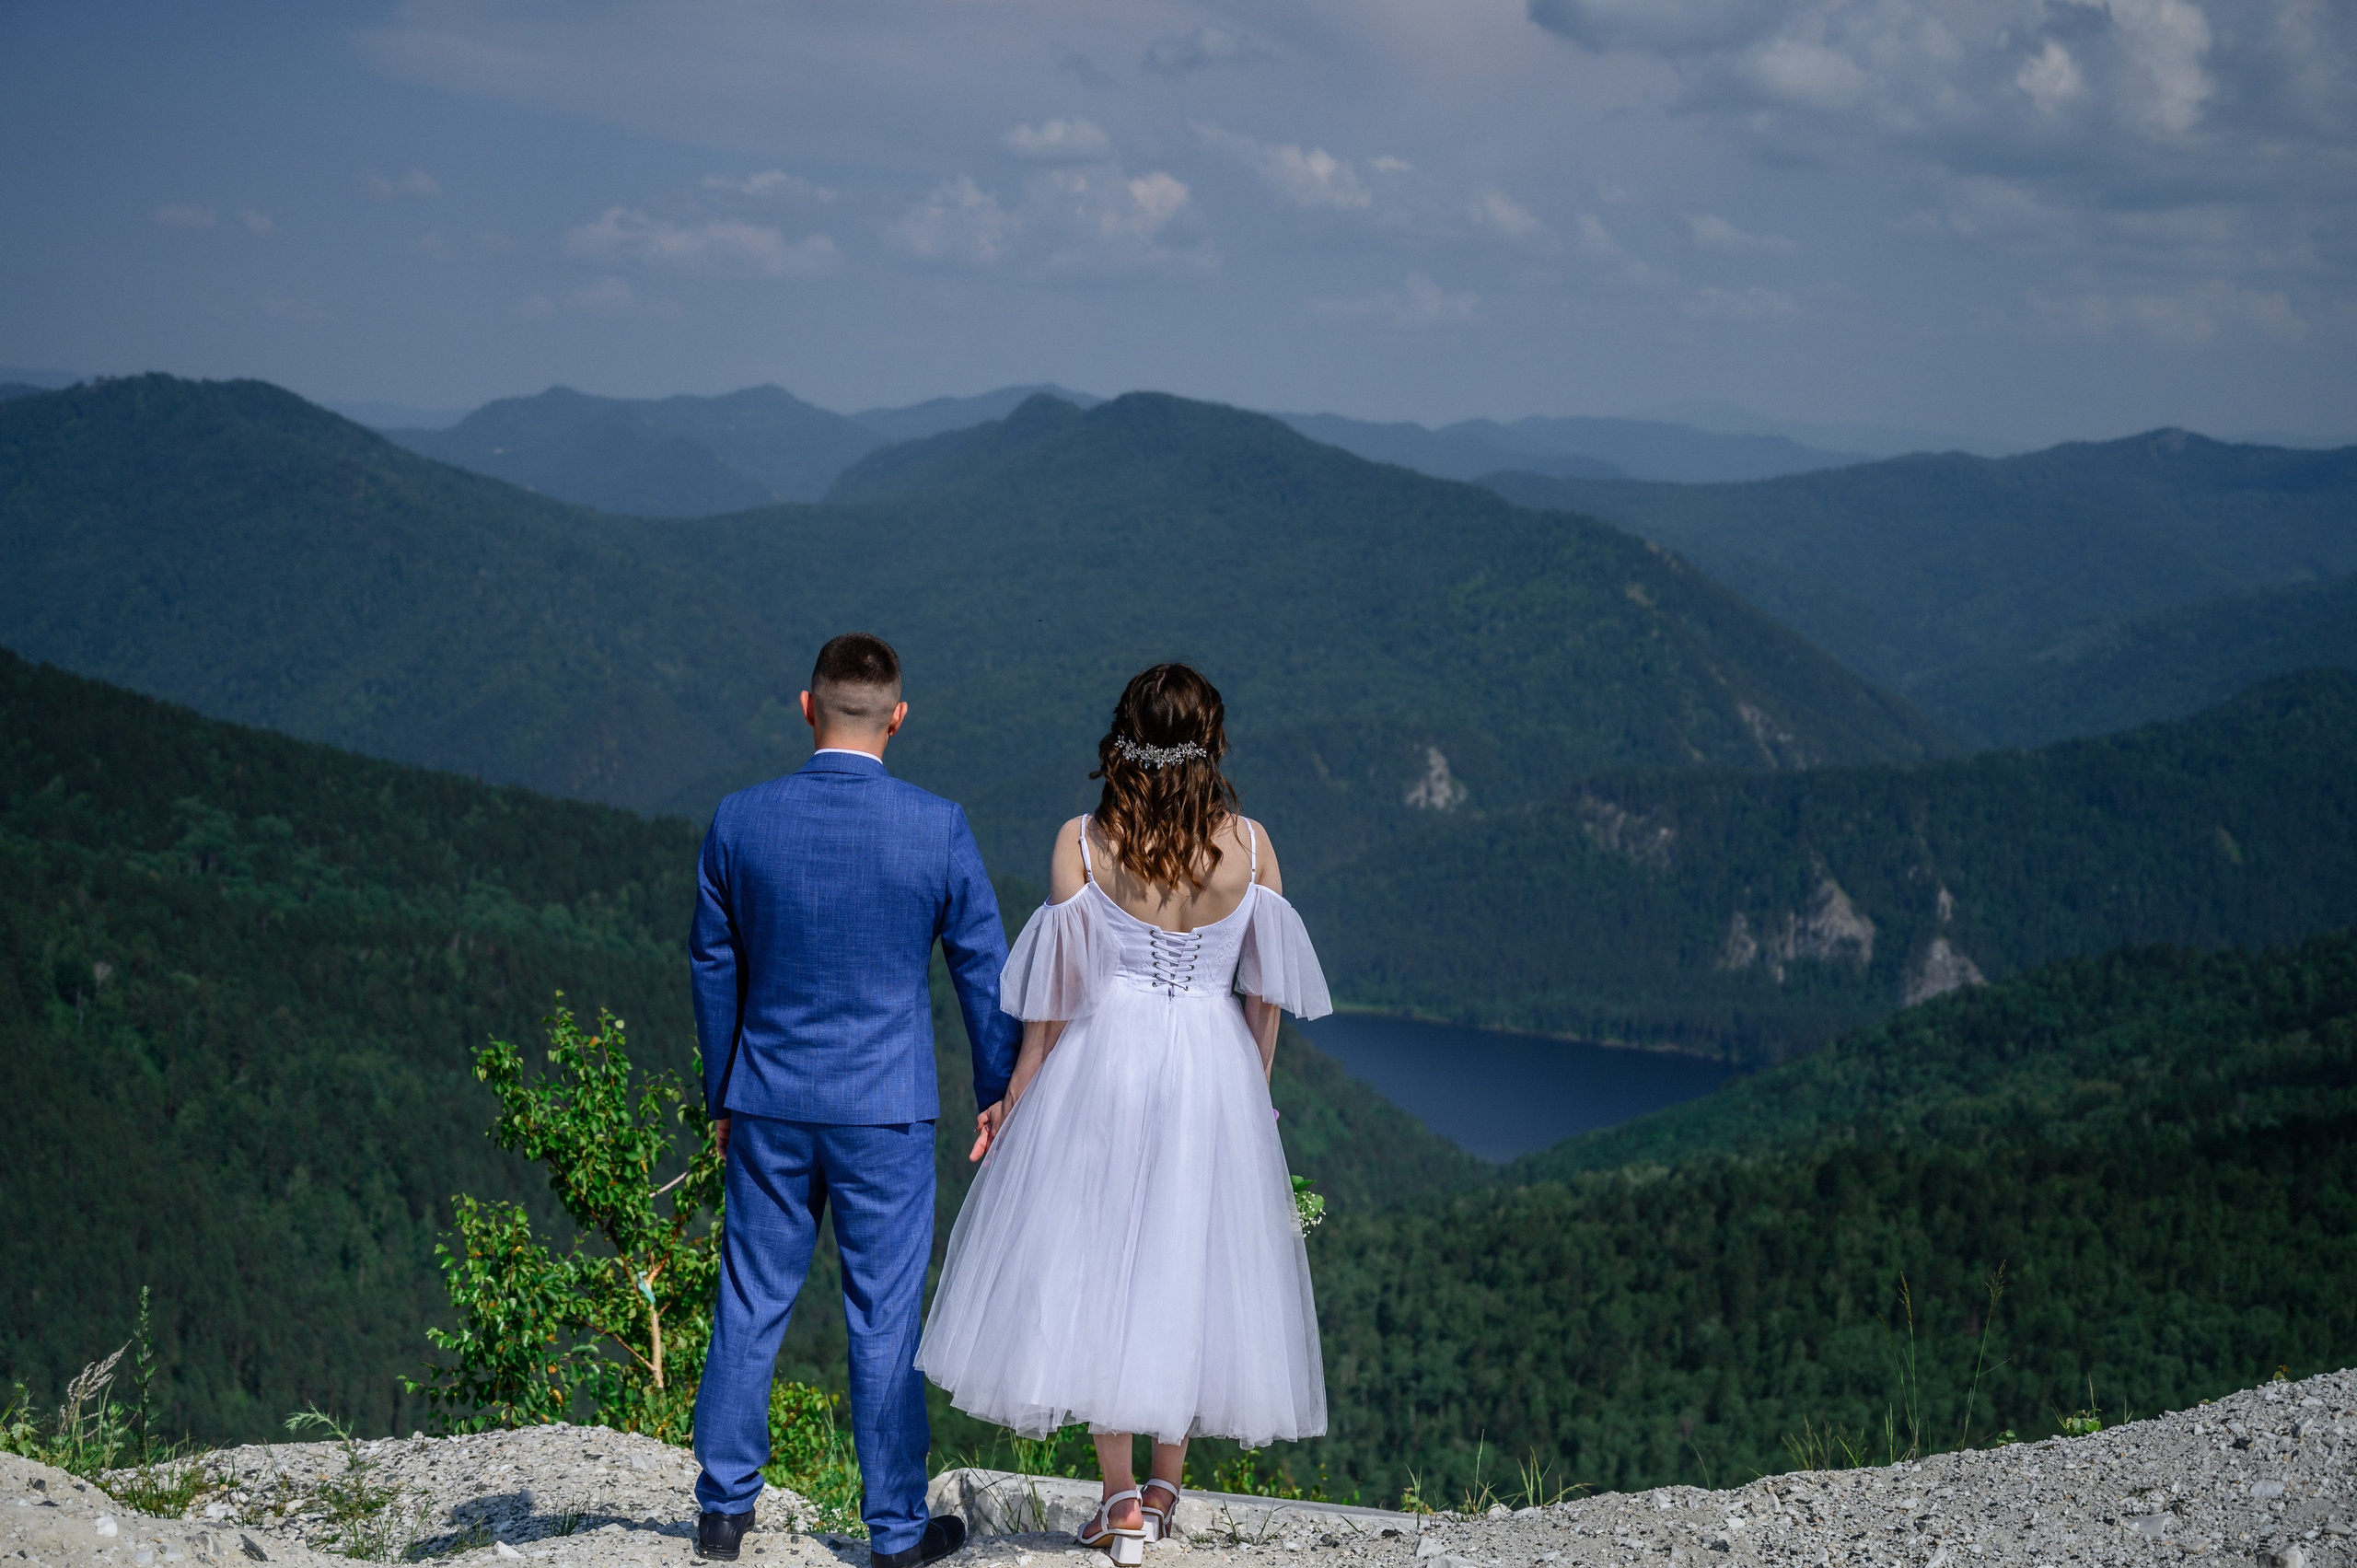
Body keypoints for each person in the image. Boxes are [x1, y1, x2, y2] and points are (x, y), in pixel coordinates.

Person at [916, 663, 1333, 1565]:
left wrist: (1017, 1093)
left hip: (1106, 1058)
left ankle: (1118, 1502)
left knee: (1101, 1262)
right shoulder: (1253, 850)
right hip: (1210, 1065)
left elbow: (1055, 1001)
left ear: (1126, 735)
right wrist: (1251, 1096)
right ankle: (1165, 1482)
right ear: (1210, 739)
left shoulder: (1085, 841)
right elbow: (1262, 999)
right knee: (1184, 1259)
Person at [690, 633, 1021, 1568]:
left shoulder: (739, 819)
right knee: (884, 1315)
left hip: (769, 1098)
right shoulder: (937, 825)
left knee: (750, 1298)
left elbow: (713, 962)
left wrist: (725, 1089)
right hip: (885, 1106)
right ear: (898, 717)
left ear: (807, 706)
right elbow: (981, 969)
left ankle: (722, 1512)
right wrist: (995, 1087)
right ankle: (893, 1532)